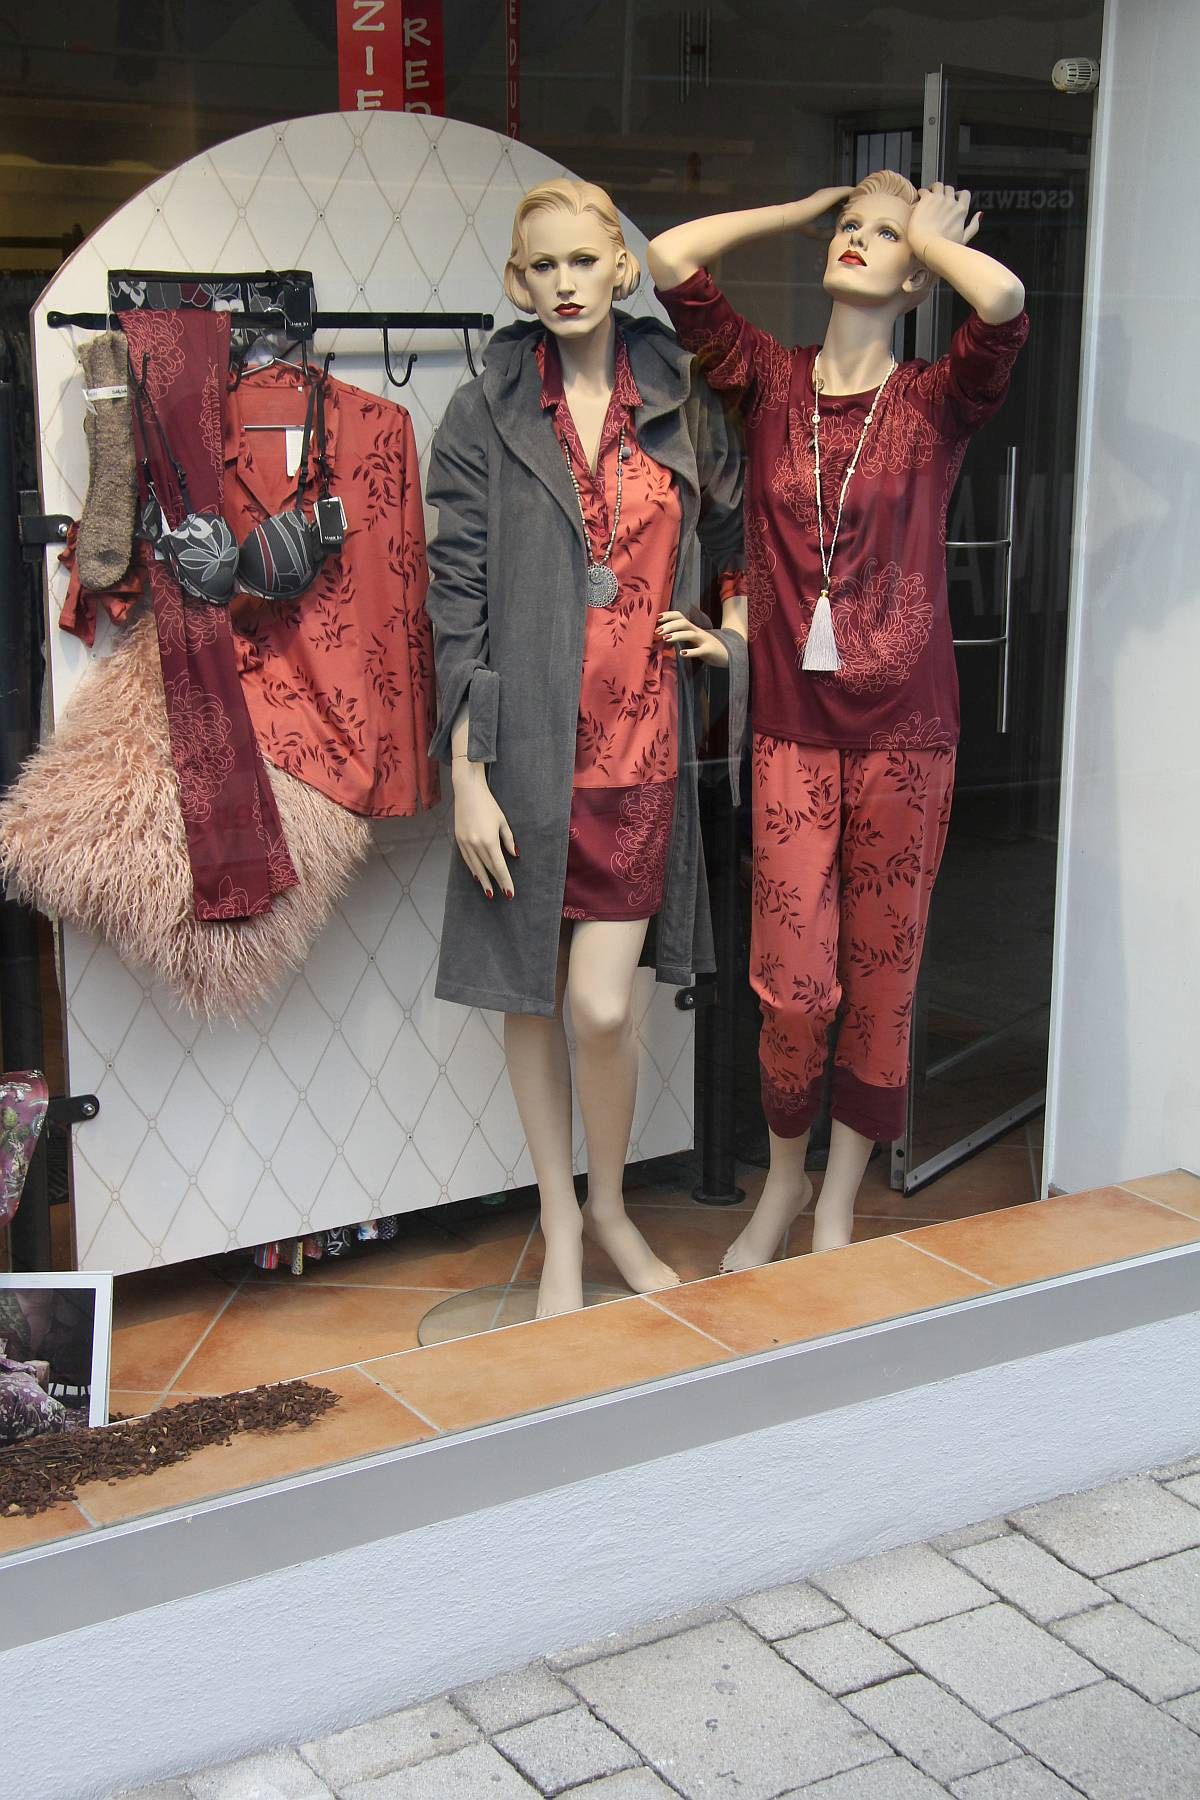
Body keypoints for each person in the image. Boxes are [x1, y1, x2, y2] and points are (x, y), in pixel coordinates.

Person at [648, 176, 1028, 1268]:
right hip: (792, 732)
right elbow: (671, 261)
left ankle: (837, 1202)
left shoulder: (935, 400)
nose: (858, 241)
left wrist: (928, 240)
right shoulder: (771, 384)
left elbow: (1003, 304)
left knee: (881, 979)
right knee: (794, 985)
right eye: (850, 229)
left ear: (916, 278)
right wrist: (802, 209)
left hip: (909, 736)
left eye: (882, 236)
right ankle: (783, 1183)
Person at [426, 179, 747, 1318]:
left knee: (602, 1006)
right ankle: (562, 1222)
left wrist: (730, 634)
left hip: (643, 743)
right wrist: (466, 774)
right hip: (523, 751)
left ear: (619, 265)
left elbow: (739, 537)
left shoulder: (683, 398)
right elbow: (454, 601)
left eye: (583, 260)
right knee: (532, 989)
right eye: (542, 266)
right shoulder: (486, 412)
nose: (565, 284)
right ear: (519, 282)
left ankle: (609, 1206)